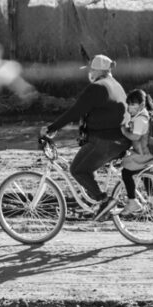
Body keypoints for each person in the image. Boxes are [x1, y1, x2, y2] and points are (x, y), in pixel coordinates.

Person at [39, 54, 129, 218]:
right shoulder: (116, 85)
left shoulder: (98, 87)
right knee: (87, 165)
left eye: (91, 70)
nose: (90, 73)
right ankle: (97, 195)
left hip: (105, 141)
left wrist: (52, 128)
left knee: (77, 170)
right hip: (120, 140)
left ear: (97, 70)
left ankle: (103, 200)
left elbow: (76, 111)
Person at [118, 89, 153, 215]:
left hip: (144, 154)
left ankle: (132, 201)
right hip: (151, 153)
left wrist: (124, 131)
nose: (129, 108)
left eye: (133, 105)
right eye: (129, 104)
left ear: (141, 105)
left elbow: (135, 137)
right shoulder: (147, 115)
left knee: (126, 172)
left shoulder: (140, 119)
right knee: (143, 172)